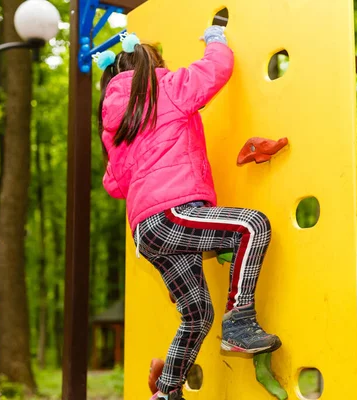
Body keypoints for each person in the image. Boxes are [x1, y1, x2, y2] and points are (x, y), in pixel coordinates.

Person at [96, 27, 281, 400]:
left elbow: (114, 185)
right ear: (153, 65)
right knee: (252, 225)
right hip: (173, 213)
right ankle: (240, 322)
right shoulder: (166, 87)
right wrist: (216, 38)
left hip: (146, 233)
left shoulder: (115, 124)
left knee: (196, 314)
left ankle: (165, 393)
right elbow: (215, 70)